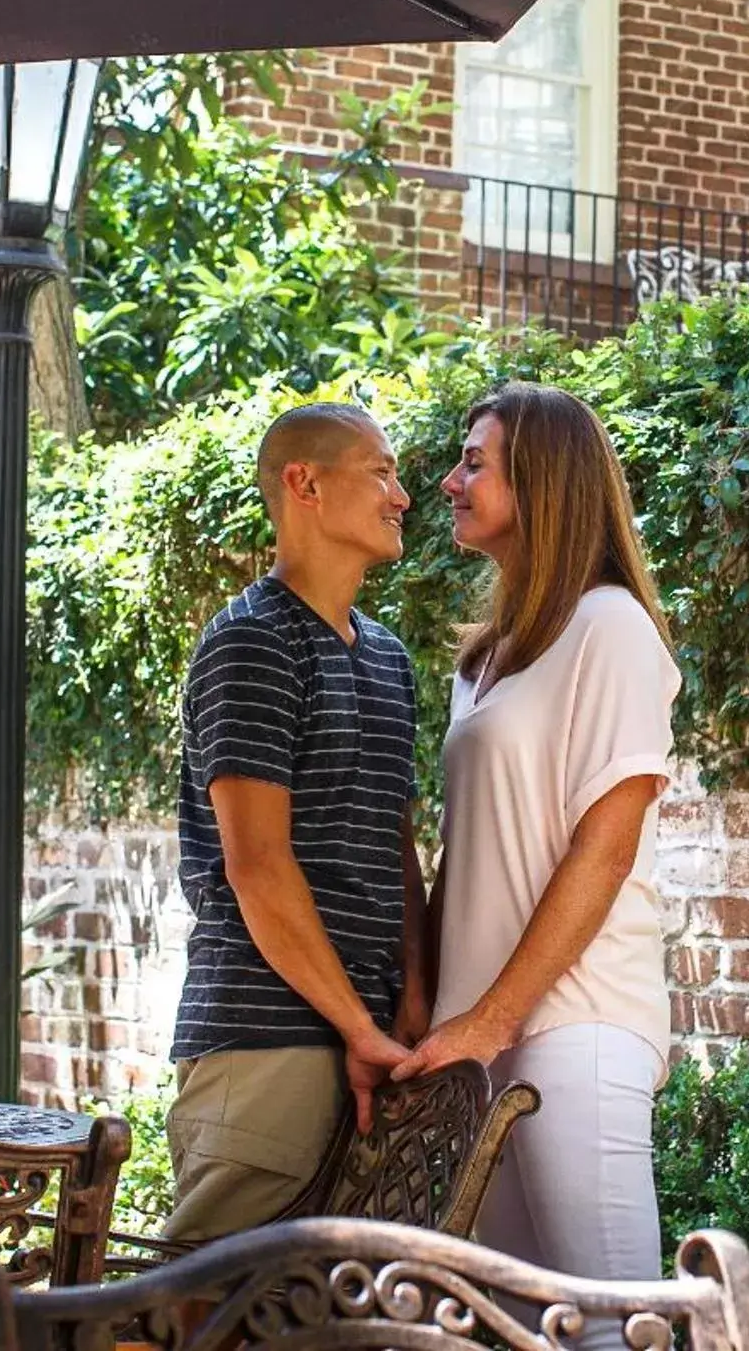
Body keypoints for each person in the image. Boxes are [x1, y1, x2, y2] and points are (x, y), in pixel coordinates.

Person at [394, 380, 679, 1306]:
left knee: (612, 1324)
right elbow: (469, 855)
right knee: (523, 1327)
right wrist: (436, 1004)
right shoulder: (482, 659)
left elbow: (606, 848)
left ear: (544, 480)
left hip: (574, 1024)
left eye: (474, 461)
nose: (448, 481)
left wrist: (493, 1020)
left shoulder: (612, 628)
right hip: (479, 1040)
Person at [161, 401, 430, 1242]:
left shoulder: (387, 656)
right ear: (303, 482)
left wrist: (409, 1004)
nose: (403, 496)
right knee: (191, 1316)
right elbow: (257, 865)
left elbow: (396, 848)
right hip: (266, 1039)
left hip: (373, 1043)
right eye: (380, 471)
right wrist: (356, 1026)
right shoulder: (251, 642)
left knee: (310, 1321)